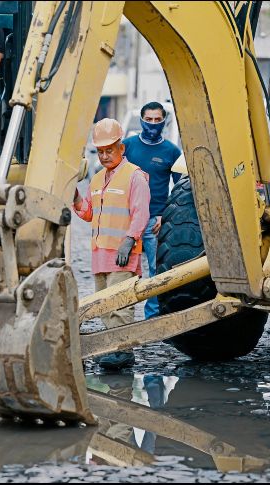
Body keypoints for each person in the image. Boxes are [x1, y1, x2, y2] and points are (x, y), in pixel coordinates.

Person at [74, 118, 150, 370]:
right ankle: (114, 350)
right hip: (100, 255)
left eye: (110, 150)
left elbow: (141, 213)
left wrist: (129, 241)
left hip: (122, 253)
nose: (105, 156)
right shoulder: (96, 180)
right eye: (101, 151)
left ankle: (123, 350)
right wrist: (74, 197)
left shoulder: (135, 176)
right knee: (106, 306)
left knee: (120, 304)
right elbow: (88, 213)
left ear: (121, 148)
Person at [123, 102, 182, 320]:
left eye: (158, 120)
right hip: (127, 221)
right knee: (125, 270)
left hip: (154, 223)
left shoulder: (172, 151)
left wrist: (164, 214)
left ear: (164, 122)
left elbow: (179, 190)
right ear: (141, 120)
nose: (153, 124)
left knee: (156, 271)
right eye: (149, 119)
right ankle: (124, 316)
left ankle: (153, 318)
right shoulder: (126, 146)